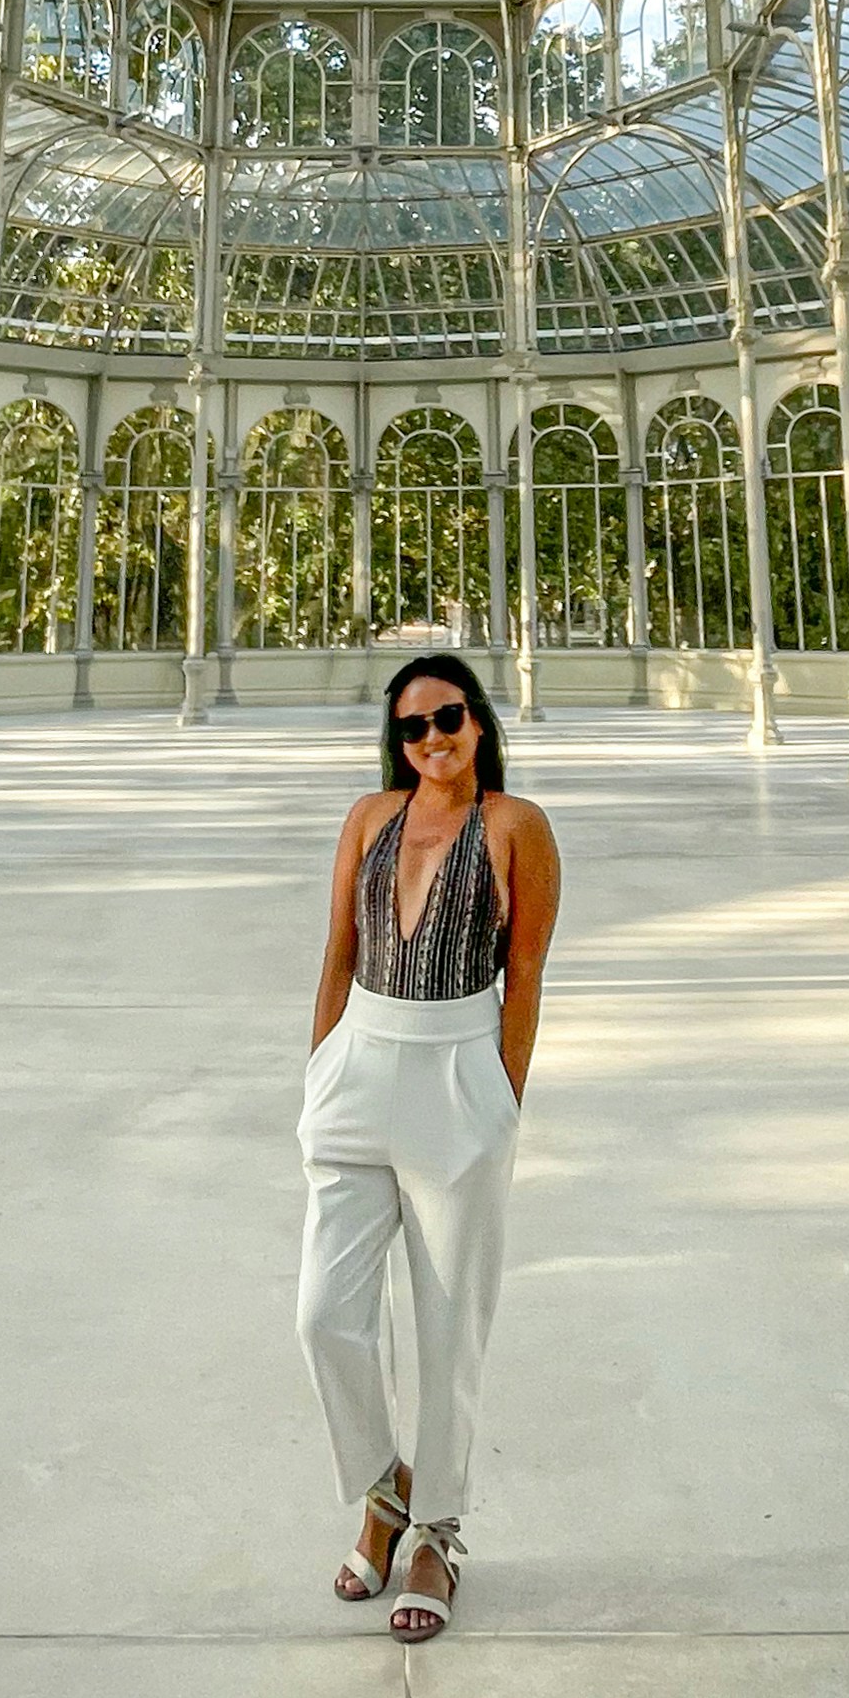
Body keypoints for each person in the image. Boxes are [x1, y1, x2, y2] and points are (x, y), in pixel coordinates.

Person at [296, 652, 561, 1642]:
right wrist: (319, 1074)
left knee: (449, 1330)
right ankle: (384, 1486)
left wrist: (502, 1099)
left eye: (447, 717)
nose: (431, 739)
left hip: (458, 1073)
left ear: (478, 720)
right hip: (357, 1071)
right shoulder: (368, 817)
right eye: (412, 727)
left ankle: (433, 1537)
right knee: (324, 1317)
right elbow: (336, 952)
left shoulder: (515, 827)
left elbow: (524, 974)